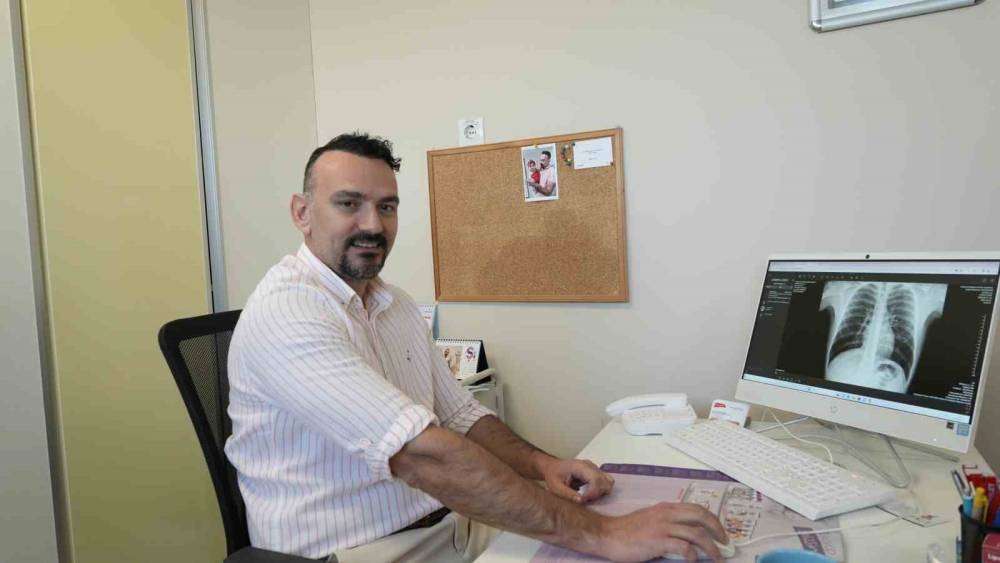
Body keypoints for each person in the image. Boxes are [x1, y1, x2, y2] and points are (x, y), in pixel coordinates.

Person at [225, 132, 726, 562]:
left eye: (387, 207)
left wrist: (544, 467)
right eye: (348, 203)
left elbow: (461, 415)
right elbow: (423, 456)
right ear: (302, 213)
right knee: (605, 540)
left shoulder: (394, 304)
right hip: (357, 552)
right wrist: (606, 535)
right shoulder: (288, 312)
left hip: (447, 526)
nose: (373, 225)